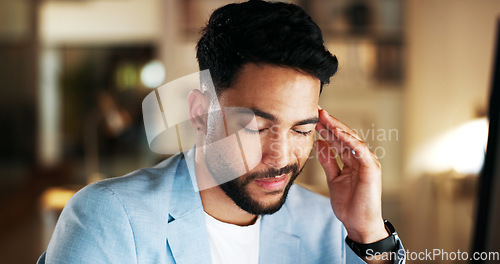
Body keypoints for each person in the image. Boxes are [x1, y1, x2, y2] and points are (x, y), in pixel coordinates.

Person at [37, 1, 405, 263]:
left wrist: (369, 234)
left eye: (301, 129)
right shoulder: (110, 218)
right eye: (256, 127)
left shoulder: (329, 225)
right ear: (200, 113)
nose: (280, 157)